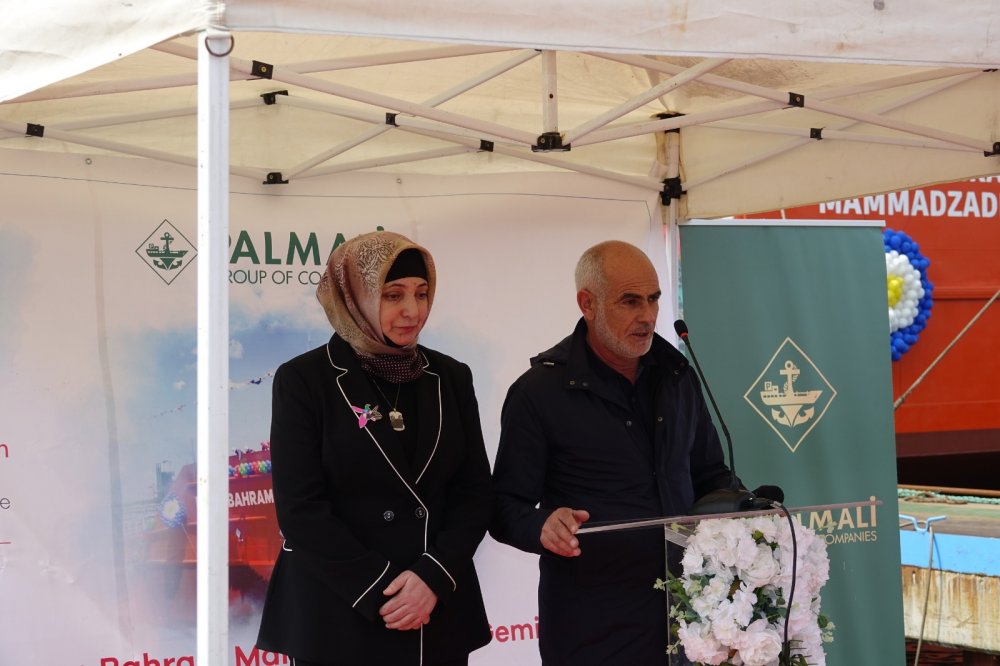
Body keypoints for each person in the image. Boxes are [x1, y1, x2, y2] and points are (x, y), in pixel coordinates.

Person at [489, 240, 739, 666]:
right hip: (593, 630)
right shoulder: (539, 393)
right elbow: (502, 507)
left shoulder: (678, 377)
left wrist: (747, 510)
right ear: (587, 304)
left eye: (653, 299)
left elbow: (710, 475)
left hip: (689, 619)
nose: (648, 316)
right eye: (630, 301)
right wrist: (542, 525)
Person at [257, 231, 493, 666]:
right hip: (338, 615)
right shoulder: (304, 380)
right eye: (392, 295)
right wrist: (383, 589)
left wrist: (432, 577)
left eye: (421, 293)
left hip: (435, 611)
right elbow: (300, 509)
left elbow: (475, 492)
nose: (412, 311)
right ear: (355, 297)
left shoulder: (451, 377)